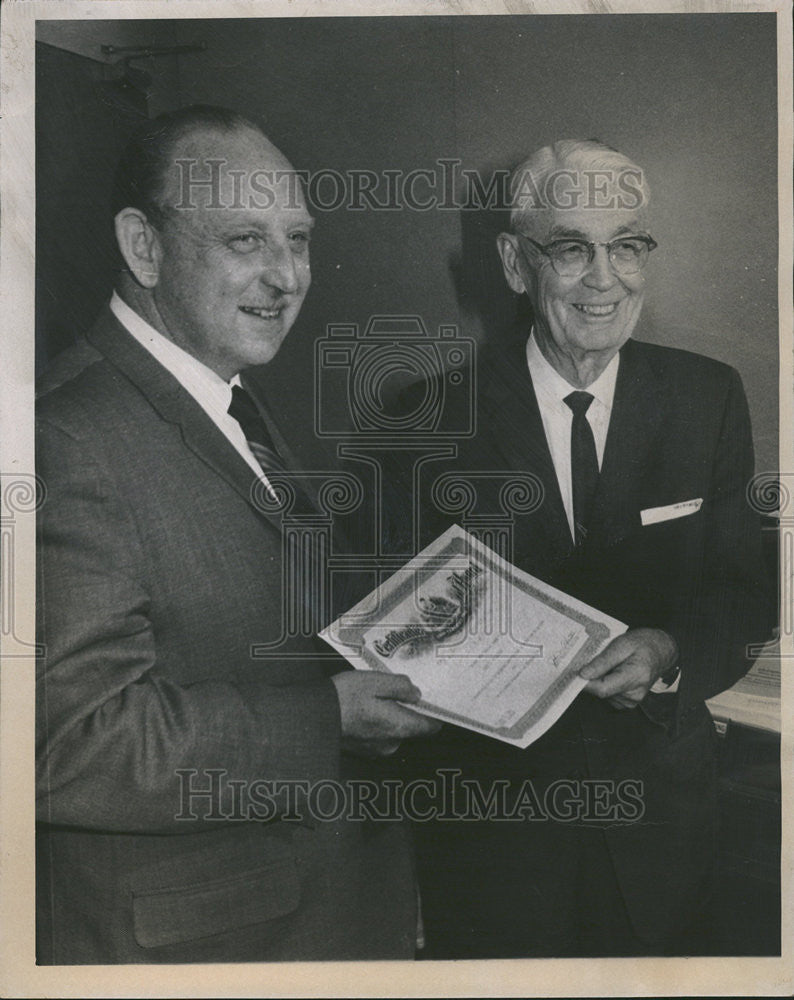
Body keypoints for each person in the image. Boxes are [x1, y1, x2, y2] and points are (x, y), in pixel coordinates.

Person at [35, 104, 438, 964]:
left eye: (297, 239)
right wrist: (327, 718)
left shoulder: (225, 392)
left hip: (307, 917)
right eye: (245, 240)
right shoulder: (60, 438)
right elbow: (70, 742)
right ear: (143, 247)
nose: (286, 275)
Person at [395, 139, 775, 957]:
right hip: (492, 846)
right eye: (571, 248)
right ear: (512, 262)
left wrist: (669, 647)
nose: (605, 279)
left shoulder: (709, 396)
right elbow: (395, 642)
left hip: (663, 837)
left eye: (627, 245)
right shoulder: (424, 419)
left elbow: (746, 594)